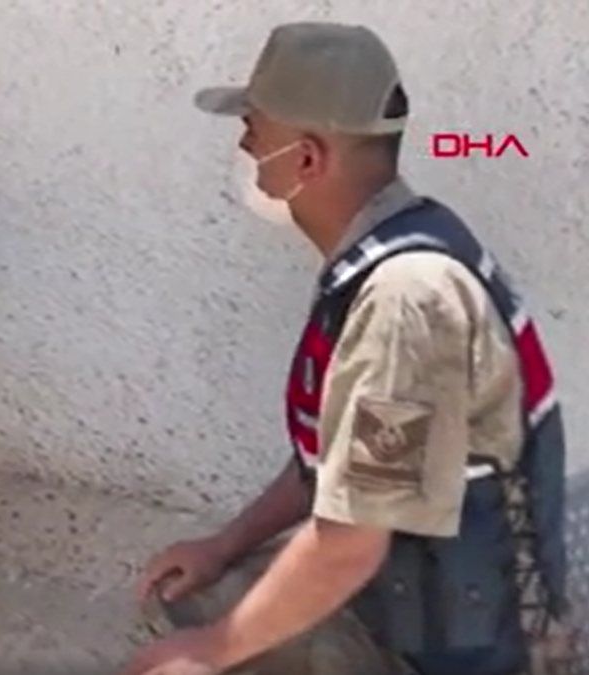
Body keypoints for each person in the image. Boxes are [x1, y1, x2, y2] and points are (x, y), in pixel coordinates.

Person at [123, 23, 568, 675]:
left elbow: (350, 543)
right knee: (197, 599)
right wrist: (225, 544)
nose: (244, 146)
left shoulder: (407, 300)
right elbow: (334, 459)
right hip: (410, 590)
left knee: (197, 650)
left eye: (252, 128)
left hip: (459, 648)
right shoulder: (394, 246)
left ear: (307, 159)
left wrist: (210, 650)